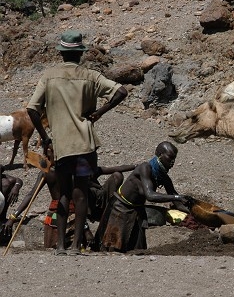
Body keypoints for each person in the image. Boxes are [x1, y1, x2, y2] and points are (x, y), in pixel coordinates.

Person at [27, 30, 128, 255]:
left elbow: (32, 109)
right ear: (80, 54)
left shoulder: (49, 76)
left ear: (61, 54)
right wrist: (100, 112)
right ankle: (76, 246)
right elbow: (121, 91)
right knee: (80, 192)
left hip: (61, 143)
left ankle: (61, 246)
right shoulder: (90, 76)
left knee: (63, 192)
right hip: (84, 142)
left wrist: (45, 138)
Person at [1, 163, 136, 249]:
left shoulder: (71, 172)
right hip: (58, 214)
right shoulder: (47, 173)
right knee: (51, 249)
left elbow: (79, 201)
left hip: (71, 213)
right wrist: (13, 217)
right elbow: (31, 195)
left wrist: (85, 228)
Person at [95, 141, 193, 253]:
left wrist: (194, 212)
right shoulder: (145, 168)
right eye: (170, 158)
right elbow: (150, 195)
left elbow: (178, 204)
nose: (173, 162)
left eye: (174, 159)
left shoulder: (164, 177)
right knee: (111, 248)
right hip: (120, 208)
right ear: (160, 155)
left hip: (137, 211)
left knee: (138, 250)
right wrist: (177, 197)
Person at [0, 165, 23, 243]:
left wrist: (16, 187)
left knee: (6, 185)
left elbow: (18, 180)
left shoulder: (5, 181)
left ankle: (2, 219)